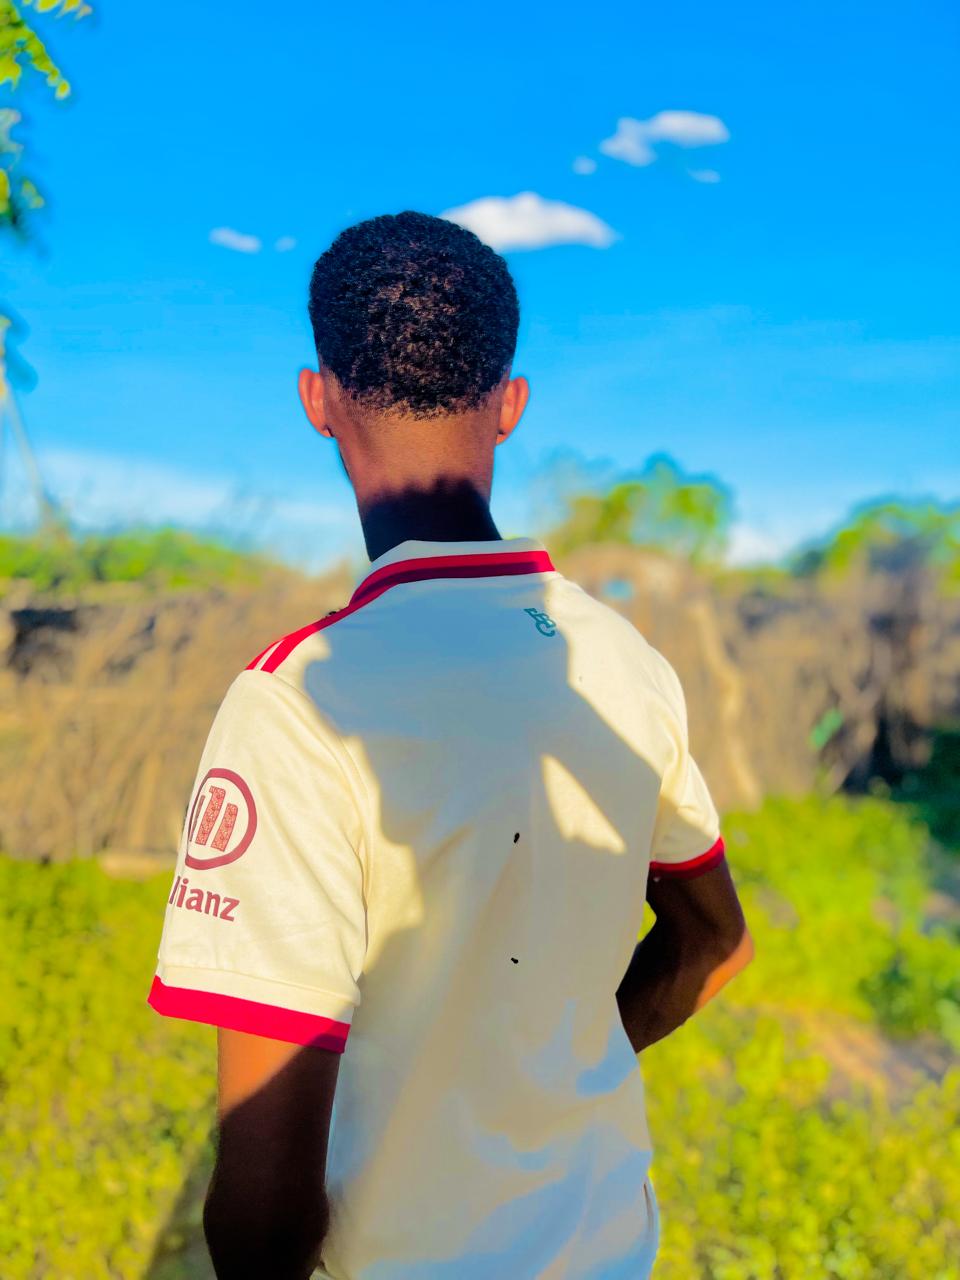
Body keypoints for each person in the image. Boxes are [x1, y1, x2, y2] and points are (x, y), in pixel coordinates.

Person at [147, 210, 754, 1280]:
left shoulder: (300, 701)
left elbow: (264, 1203)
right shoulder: (626, 663)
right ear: (511, 405)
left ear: (317, 399)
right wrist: (555, 1066)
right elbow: (714, 942)